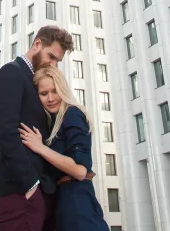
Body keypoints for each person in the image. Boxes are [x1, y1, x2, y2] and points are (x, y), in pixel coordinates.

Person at [0, 26, 74, 231]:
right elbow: (5, 133)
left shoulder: (36, 83)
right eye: (51, 57)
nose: (54, 65)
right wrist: (30, 185)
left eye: (58, 61)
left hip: (40, 194)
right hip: (20, 193)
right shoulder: (11, 73)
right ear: (37, 44)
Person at [20, 65, 111, 231]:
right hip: (65, 205)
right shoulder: (54, 122)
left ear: (63, 89)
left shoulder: (72, 113)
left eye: (55, 91)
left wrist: (40, 148)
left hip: (78, 204)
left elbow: (80, 171)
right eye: (43, 93)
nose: (50, 98)